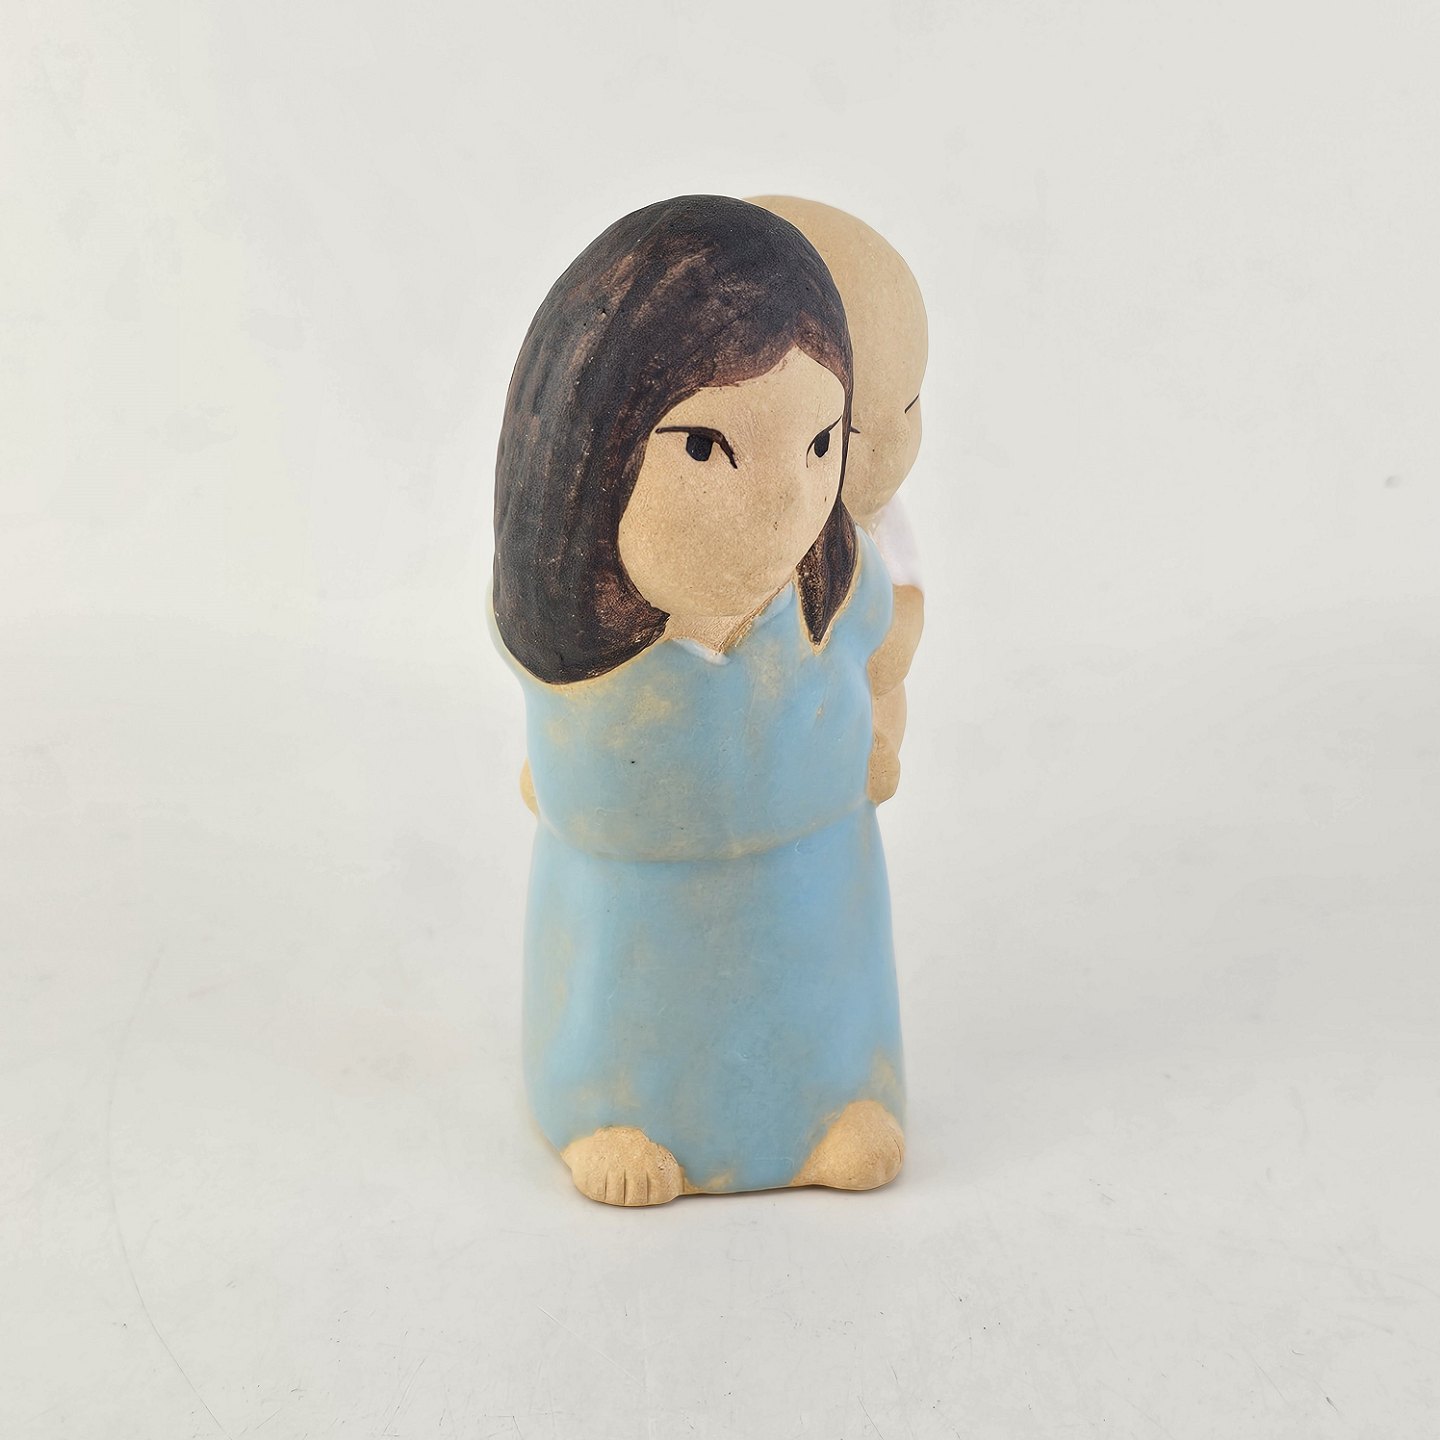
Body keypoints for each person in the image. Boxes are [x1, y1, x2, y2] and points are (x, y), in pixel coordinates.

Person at [491, 196, 905, 1205]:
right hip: (641, 898)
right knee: (632, 976)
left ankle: (827, 1103)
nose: (786, 500)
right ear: (591, 455)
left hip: (814, 873)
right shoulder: (595, 668)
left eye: (819, 444)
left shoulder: (832, 596)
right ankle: (604, 1107)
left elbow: (879, 649)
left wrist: (876, 732)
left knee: (819, 965)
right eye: (709, 449)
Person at [749, 196, 928, 802]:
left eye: (912, 405)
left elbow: (906, 601)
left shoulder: (876, 526)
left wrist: (892, 636)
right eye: (849, 430)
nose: (892, 448)